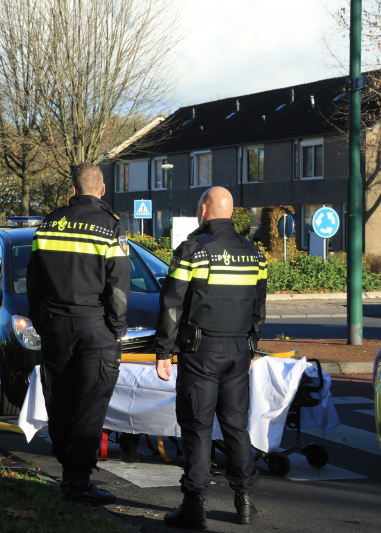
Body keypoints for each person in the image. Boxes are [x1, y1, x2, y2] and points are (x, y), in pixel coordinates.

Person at [154, 186, 267, 528]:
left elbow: (172, 304)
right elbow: (259, 309)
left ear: (204, 209)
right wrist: (251, 345)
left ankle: (193, 505)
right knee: (236, 426)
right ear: (230, 212)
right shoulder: (255, 254)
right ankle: (245, 501)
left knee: (198, 426)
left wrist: (163, 350)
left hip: (200, 352)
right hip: (238, 352)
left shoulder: (192, 251)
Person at [26, 162, 131, 505]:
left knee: (60, 400)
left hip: (55, 325)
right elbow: (118, 287)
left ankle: (68, 471)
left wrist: (42, 321)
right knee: (90, 406)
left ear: (72, 190)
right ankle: (79, 483)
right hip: (95, 327)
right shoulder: (110, 228)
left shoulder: (48, 224)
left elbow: (33, 281)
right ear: (101, 190)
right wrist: (116, 329)